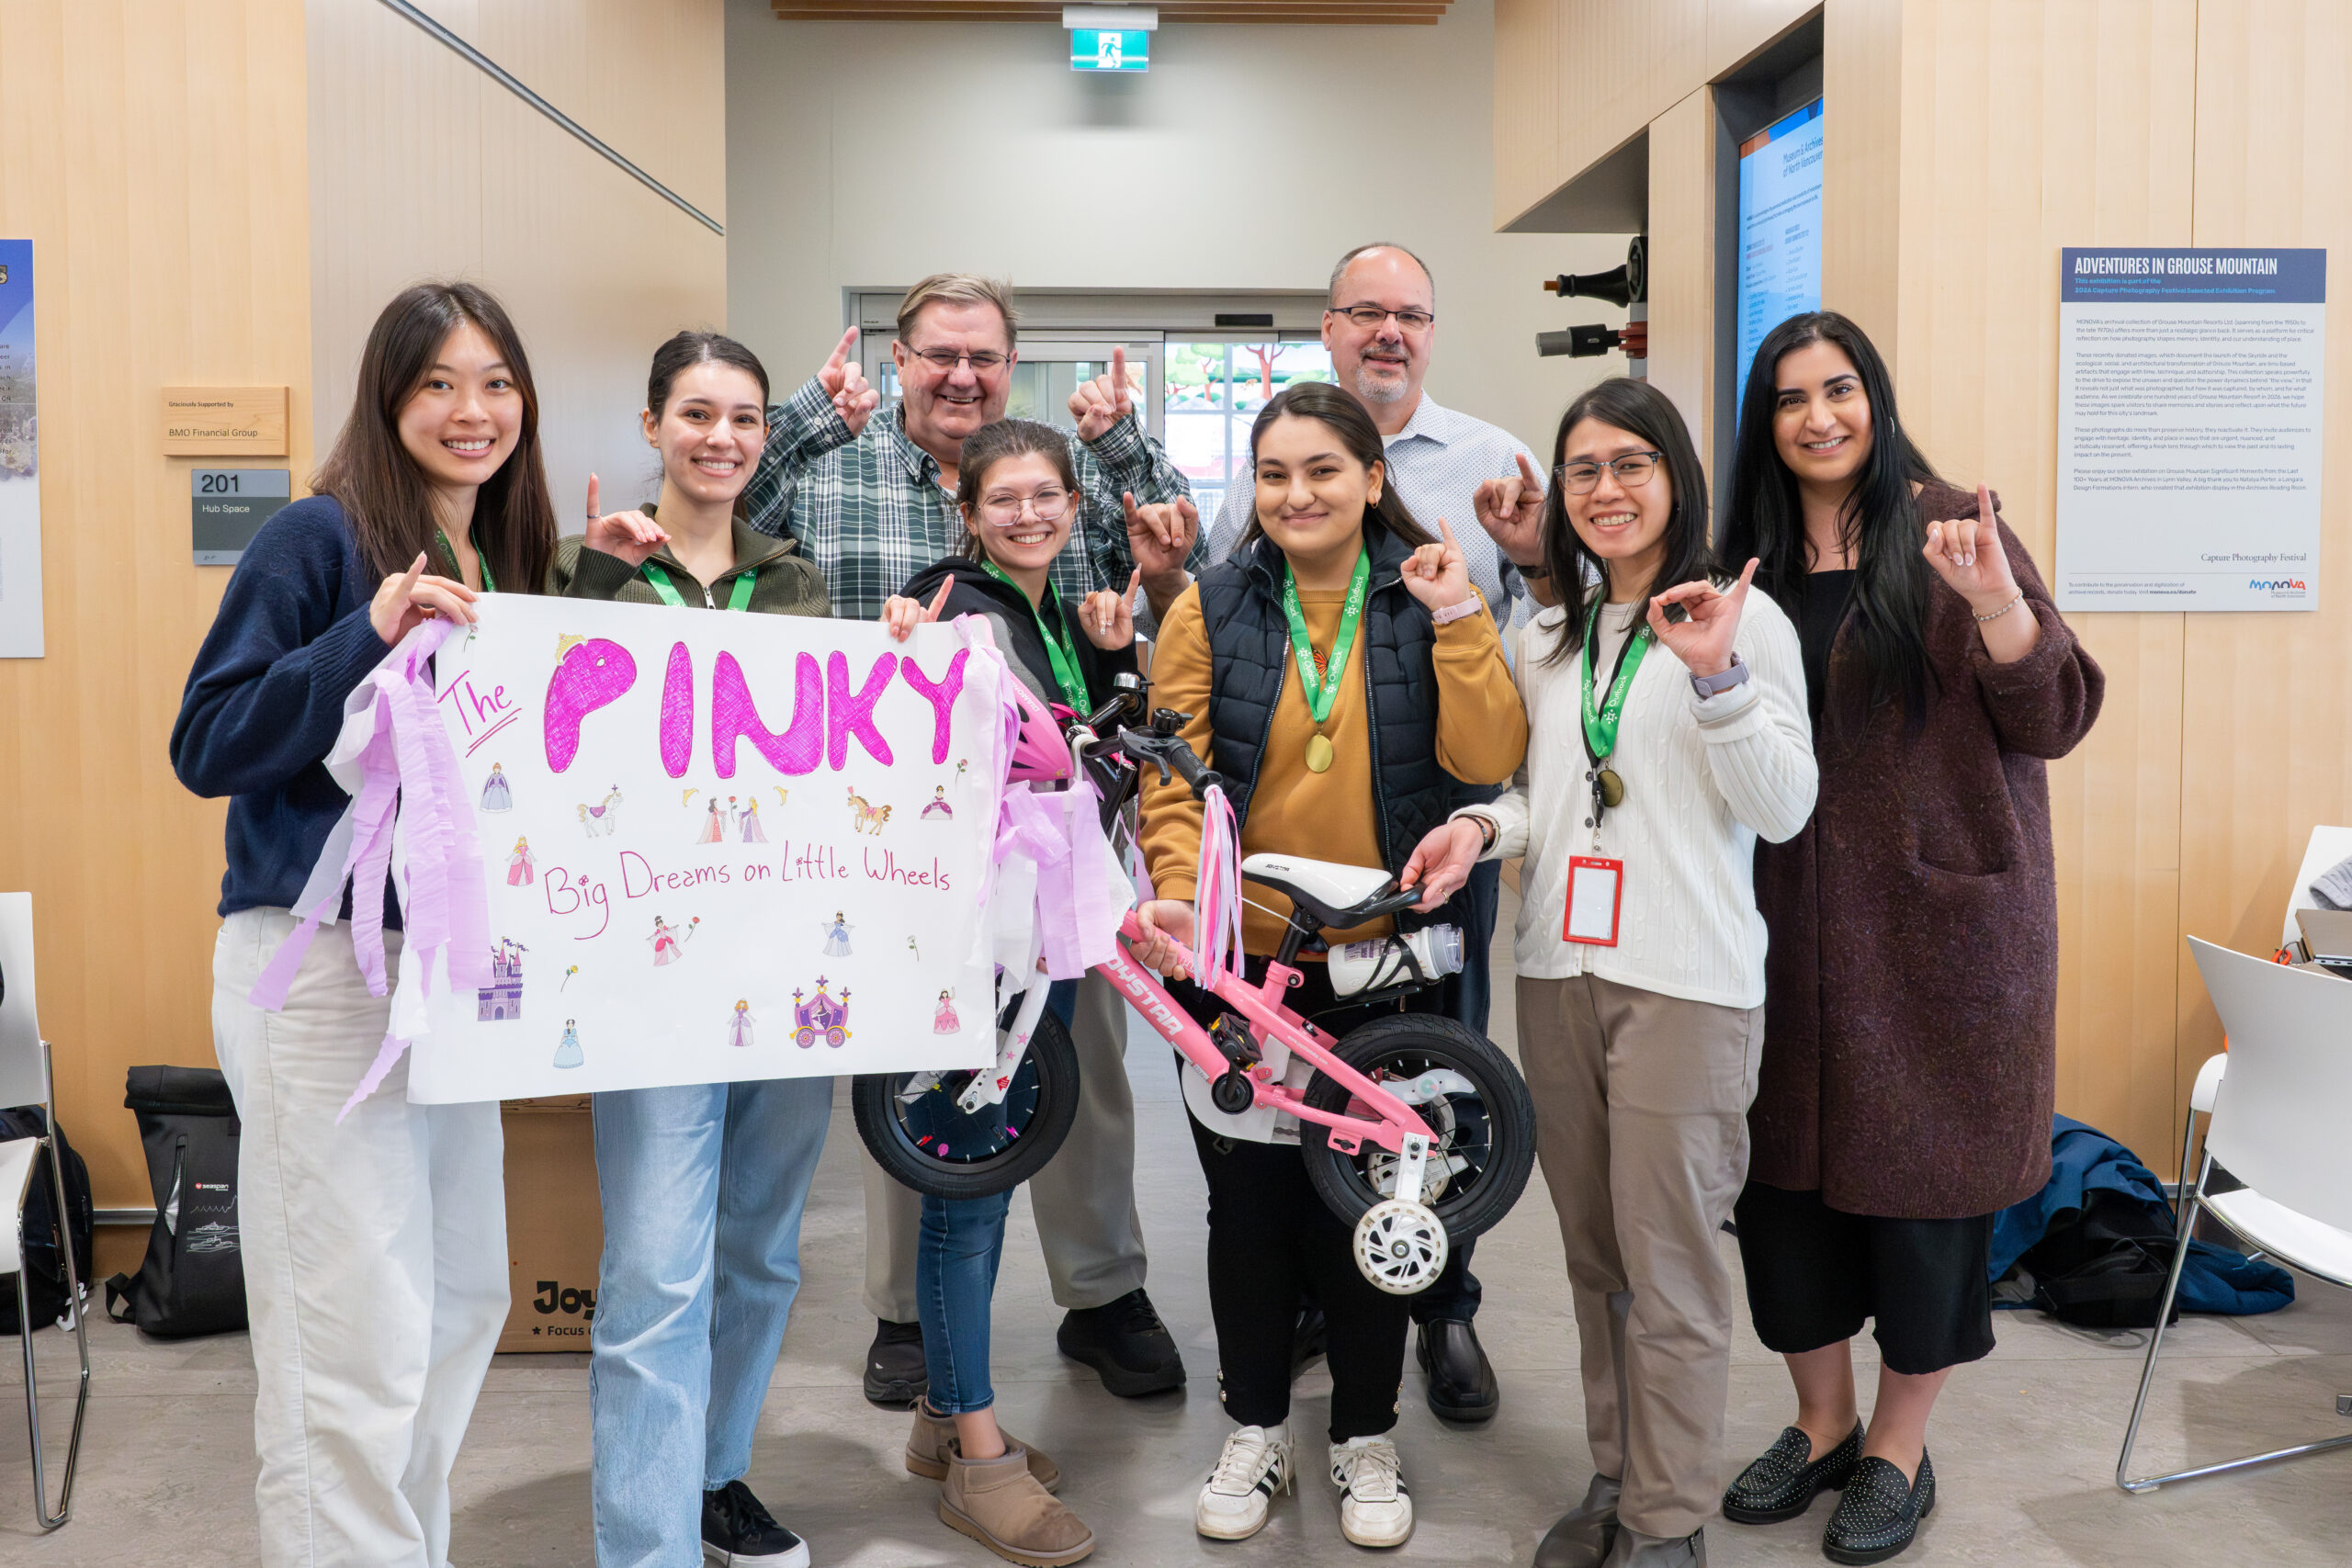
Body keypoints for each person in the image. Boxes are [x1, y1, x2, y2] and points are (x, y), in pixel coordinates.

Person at [743, 274, 1201, 1405]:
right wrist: (802, 419)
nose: (961, 375)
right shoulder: (830, 467)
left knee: (1086, 1068)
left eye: (984, 357)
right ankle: (905, 1314)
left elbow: (1175, 542)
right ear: (897, 359)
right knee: (916, 1068)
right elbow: (721, 507)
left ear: (1010, 365)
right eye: (938, 354)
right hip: (893, 845)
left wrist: (1124, 446)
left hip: (1060, 850)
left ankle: (1102, 1291)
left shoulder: (1064, 474)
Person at [172, 280, 558, 1568]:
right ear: (387, 397)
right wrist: (367, 629)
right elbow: (208, 740)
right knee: (350, 1335)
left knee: (459, 1302)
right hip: (322, 973)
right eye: (438, 382)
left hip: (446, 983)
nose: (470, 409)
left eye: (495, 381)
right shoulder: (317, 537)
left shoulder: (507, 557)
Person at [1405, 378, 1816, 1568]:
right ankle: (1618, 1472)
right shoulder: (1552, 634)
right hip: (1557, 972)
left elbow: (1784, 809)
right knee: (1595, 1259)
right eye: (1583, 468)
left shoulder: (1743, 619)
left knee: (1670, 1266)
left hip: (1686, 987)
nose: (1606, 488)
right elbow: (1545, 794)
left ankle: (1667, 1518)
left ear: (1677, 476)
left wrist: (1717, 680)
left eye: (1632, 463)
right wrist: (1481, 827)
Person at [1715, 312, 2104, 1564]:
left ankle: (1897, 1445)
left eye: (1839, 389)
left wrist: (1996, 602)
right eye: (1790, 398)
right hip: (1776, 929)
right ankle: (1820, 1421)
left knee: (1924, 1206)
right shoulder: (1743, 557)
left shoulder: (1952, 530)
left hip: (1938, 936)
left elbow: (2056, 714)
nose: (1818, 416)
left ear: (1875, 400)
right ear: (1764, 423)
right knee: (1783, 1194)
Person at [1125, 381, 1526, 1549]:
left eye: (1321, 471)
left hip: (1390, 964)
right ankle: (1255, 1426)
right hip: (1242, 964)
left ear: (1371, 479)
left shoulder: (1424, 593)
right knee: (1247, 1212)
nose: (1295, 494)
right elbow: (1171, 773)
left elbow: (1487, 756)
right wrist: (1176, 889)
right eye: (1273, 474)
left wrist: (1459, 618)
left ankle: (1364, 1434)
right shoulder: (1209, 605)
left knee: (1377, 1205)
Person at [1207, 241, 1538, 1417]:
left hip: (1427, 864)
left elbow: (1523, 663)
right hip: (1272, 902)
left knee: (1427, 1098)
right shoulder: (1245, 516)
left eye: (1410, 313)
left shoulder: (1494, 462)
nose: (1388, 330)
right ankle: (1314, 1311)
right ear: (1330, 327)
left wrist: (1467, 607)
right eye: (1364, 311)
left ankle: (1437, 1311)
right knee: (1287, 1120)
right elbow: (1217, 667)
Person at [548, 330, 831, 1568]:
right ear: (653, 424)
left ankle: (712, 1478)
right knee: (658, 1270)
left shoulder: (798, 581)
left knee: (761, 1253)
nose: (722, 438)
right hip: (646, 973)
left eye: (745, 418)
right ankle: (644, 1543)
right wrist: (589, 585)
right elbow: (540, 723)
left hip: (787, 968)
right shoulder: (589, 566)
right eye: (698, 414)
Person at [872, 416, 1148, 1565]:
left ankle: (944, 1422)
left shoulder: (1064, 617)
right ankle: (980, 1461)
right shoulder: (946, 605)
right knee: (968, 1196)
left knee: (983, 1180)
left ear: (1074, 507)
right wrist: (900, 640)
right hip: (969, 952)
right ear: (968, 513)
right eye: (1004, 499)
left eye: (1047, 496)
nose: (1028, 514)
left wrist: (1118, 662)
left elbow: (1100, 755)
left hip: (1036, 944)